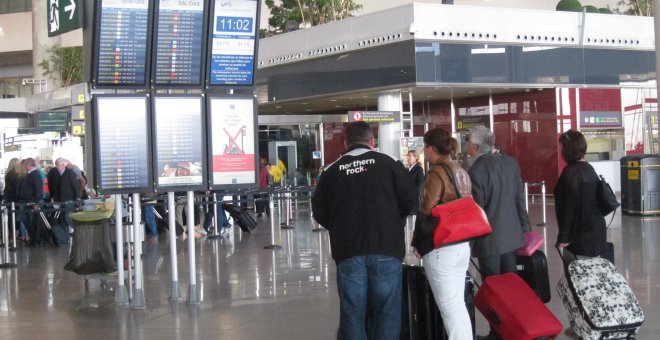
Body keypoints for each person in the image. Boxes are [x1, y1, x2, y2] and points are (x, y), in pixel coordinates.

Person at [312, 121, 416, 340]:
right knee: (387, 311)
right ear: (372, 141)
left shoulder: (331, 172)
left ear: (345, 142)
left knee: (352, 313)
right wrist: (391, 223)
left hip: (348, 250)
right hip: (386, 247)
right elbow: (410, 200)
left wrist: (342, 226)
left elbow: (319, 211)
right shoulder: (389, 164)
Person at [465, 126, 530, 340]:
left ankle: (498, 332)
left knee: (493, 287)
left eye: (468, 142)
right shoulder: (511, 164)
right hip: (512, 237)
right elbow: (520, 201)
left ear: (474, 146)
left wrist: (469, 241)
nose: (467, 145)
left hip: (489, 241)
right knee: (511, 286)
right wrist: (526, 229)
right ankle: (514, 328)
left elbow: (478, 211)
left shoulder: (477, 170)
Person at [411, 128, 473, 340]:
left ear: (430, 148)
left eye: (424, 147)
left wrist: (418, 243)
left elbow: (426, 210)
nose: (423, 151)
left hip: (442, 248)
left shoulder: (436, 172)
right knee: (457, 305)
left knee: (449, 308)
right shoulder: (460, 170)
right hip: (461, 244)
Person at [555, 129, 607, 258]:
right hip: (596, 230)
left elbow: (569, 208)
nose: (561, 151)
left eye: (562, 147)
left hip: (580, 234)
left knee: (577, 274)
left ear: (568, 149)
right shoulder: (589, 168)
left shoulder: (571, 173)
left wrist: (564, 237)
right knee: (591, 272)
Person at [56, 158, 80, 234]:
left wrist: (78, 197)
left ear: (63, 165)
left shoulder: (69, 173)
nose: (56, 166)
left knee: (68, 218)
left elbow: (75, 185)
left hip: (69, 199)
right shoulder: (61, 174)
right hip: (63, 200)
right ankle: (70, 234)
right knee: (65, 218)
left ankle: (78, 230)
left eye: (57, 165)